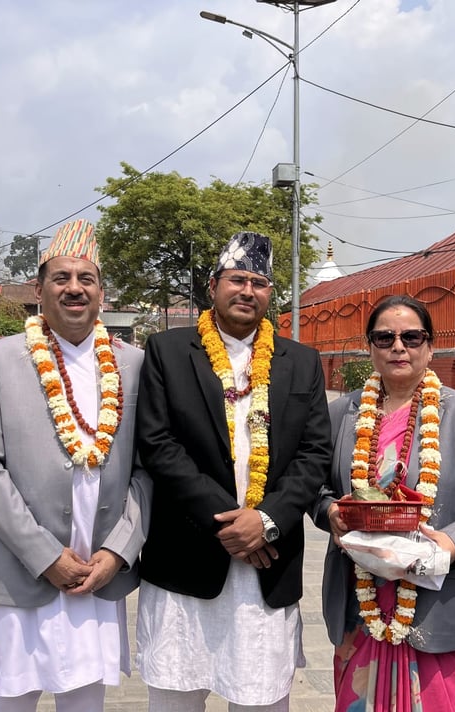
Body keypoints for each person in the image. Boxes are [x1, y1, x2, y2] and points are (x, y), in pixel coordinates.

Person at [135, 231, 333, 711]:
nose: (248, 290)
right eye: (237, 279)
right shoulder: (167, 351)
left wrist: (264, 521)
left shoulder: (302, 362)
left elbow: (315, 453)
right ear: (213, 285)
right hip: (186, 556)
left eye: (260, 283)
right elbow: (158, 445)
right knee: (176, 695)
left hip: (268, 560)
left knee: (261, 698)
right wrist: (231, 522)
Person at [0, 218, 151, 712]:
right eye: (61, 278)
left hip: (98, 571)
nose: (74, 289)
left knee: (85, 699)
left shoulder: (133, 363)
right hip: (21, 567)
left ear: (101, 293)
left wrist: (118, 551)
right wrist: (45, 556)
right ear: (39, 288)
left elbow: (145, 470)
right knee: (11, 698)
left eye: (85, 279)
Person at [315, 294, 455, 711]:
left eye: (411, 336)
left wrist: (453, 543)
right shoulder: (343, 414)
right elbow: (315, 489)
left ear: (430, 346)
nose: (398, 346)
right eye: (385, 337)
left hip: (436, 596)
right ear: (369, 347)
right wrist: (330, 511)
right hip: (361, 599)